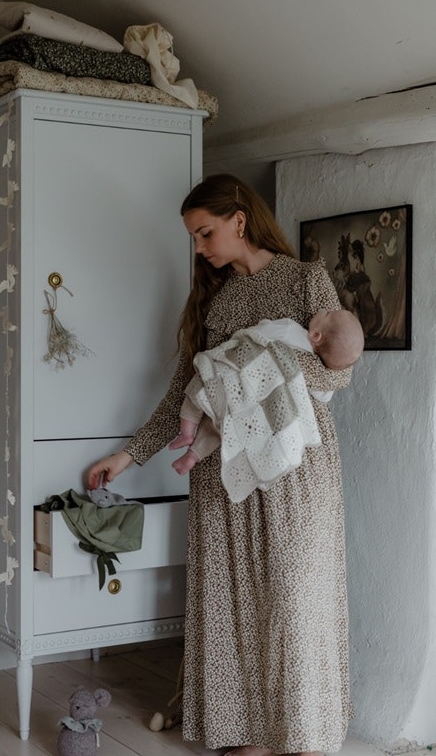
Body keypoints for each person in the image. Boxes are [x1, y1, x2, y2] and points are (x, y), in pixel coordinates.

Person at [88, 174, 354, 756]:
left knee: (295, 595)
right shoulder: (214, 299)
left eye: (205, 233)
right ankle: (245, 733)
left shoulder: (306, 280)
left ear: (239, 219)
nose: (201, 248)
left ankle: (304, 731)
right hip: (223, 465)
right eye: (193, 238)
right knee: (231, 599)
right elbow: (186, 389)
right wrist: (128, 454)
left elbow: (339, 371)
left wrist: (264, 362)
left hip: (295, 466)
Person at [170, 309, 364, 478]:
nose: (323, 310)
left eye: (327, 314)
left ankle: (186, 432)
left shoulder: (291, 329)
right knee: (222, 428)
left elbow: (259, 331)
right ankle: (193, 456)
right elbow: (325, 395)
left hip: (238, 376)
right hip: (254, 402)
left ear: (316, 335)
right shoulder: (311, 372)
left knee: (200, 385)